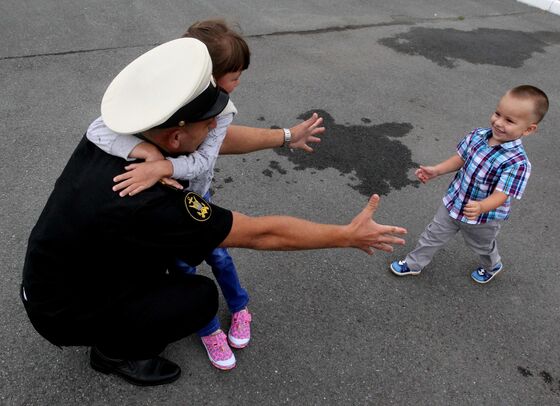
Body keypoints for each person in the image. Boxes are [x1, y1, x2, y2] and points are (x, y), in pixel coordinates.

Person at [21, 38, 407, 387]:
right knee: (200, 297)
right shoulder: (153, 198)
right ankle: (115, 353)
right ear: (175, 136)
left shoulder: (123, 132)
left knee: (152, 258)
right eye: (209, 125)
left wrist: (286, 136)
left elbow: (215, 140)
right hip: (63, 311)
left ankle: (120, 318)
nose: (216, 132)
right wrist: (346, 235)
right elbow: (258, 233)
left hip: (53, 274)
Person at [85, 19, 324, 371]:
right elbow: (98, 127)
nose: (240, 81)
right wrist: (146, 152)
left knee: (220, 256)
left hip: (197, 200)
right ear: (208, 75)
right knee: (181, 268)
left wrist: (162, 166)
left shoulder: (221, 111)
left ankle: (240, 307)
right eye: (236, 74)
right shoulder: (164, 98)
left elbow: (201, 162)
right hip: (166, 210)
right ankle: (208, 326)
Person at [389, 85, 548, 284]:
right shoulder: (478, 136)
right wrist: (437, 170)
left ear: (529, 129)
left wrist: (481, 207)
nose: (498, 122)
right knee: (432, 235)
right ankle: (414, 263)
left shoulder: (517, 163)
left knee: (482, 246)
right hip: (454, 202)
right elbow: (460, 158)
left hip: (483, 218)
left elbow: (502, 194)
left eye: (509, 121)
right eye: (498, 114)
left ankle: (492, 265)